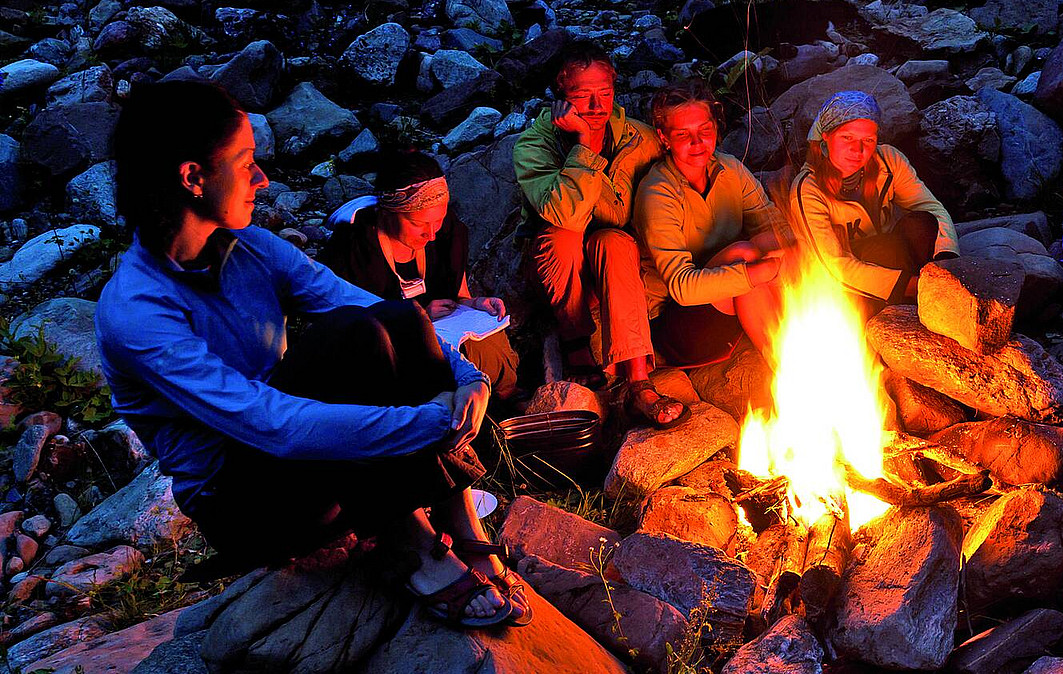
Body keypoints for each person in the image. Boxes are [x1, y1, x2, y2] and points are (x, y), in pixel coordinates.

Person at [95, 81, 532, 629]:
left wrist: (466, 375)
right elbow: (270, 424)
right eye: (246, 162)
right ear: (192, 177)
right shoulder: (138, 312)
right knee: (359, 340)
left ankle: (460, 521)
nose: (263, 179)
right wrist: (429, 422)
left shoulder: (250, 246)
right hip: (247, 501)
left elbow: (372, 306)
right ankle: (412, 546)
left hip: (307, 460)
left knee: (385, 321)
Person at [514, 41, 686, 427]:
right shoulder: (533, 146)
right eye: (582, 95)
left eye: (604, 93)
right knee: (561, 232)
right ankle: (575, 342)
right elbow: (567, 215)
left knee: (615, 240)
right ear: (560, 99)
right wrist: (586, 144)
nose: (596, 107)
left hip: (616, 266)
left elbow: (683, 170)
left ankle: (639, 384)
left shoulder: (638, 138)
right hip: (560, 271)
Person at [321, 150, 520, 406]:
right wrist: (418, 317)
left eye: (437, 221)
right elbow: (345, 328)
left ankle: (503, 403)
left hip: (447, 338)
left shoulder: (449, 232)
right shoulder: (354, 248)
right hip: (387, 354)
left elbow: (459, 295)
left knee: (484, 340)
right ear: (388, 212)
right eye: (419, 224)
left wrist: (476, 304)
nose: (431, 234)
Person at [635, 79, 787, 365]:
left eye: (704, 130)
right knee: (745, 253)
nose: (697, 142)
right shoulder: (658, 191)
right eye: (683, 135)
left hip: (731, 306)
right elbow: (681, 286)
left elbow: (771, 225)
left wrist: (790, 254)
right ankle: (781, 362)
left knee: (773, 242)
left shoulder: (730, 168)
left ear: (716, 127)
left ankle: (792, 339)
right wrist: (763, 271)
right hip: (680, 325)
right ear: (665, 138)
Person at [785, 90, 958, 309]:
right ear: (826, 137)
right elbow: (833, 266)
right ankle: (911, 305)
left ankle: (939, 300)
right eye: (847, 137)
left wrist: (947, 263)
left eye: (868, 140)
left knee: (922, 223)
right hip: (846, 289)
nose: (858, 150)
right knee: (884, 250)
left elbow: (932, 208)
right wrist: (915, 286)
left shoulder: (888, 160)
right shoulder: (808, 189)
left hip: (895, 261)